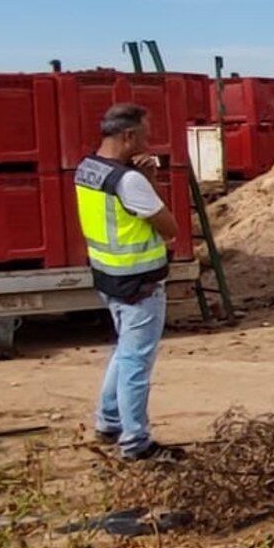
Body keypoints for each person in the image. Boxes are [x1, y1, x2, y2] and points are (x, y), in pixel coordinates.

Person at [74, 104, 183, 462]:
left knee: (124, 353)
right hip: (140, 284)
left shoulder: (87, 169)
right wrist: (149, 181)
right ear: (128, 136)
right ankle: (136, 443)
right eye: (145, 133)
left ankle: (108, 423)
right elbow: (169, 227)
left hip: (109, 277)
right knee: (136, 363)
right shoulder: (129, 180)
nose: (148, 140)